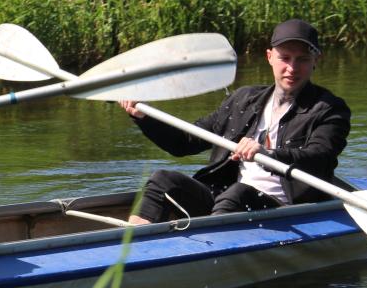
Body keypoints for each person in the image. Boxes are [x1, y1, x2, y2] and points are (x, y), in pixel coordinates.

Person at [119, 18, 351, 224]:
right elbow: (184, 142)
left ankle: (209, 250)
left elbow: (320, 158)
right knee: (162, 180)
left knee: (238, 193)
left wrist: (268, 154)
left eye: (302, 59)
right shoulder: (243, 100)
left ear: (315, 60)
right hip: (225, 197)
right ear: (269, 57)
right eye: (285, 58)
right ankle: (133, 245)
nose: (291, 68)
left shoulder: (330, 110)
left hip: (284, 208)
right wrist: (143, 117)